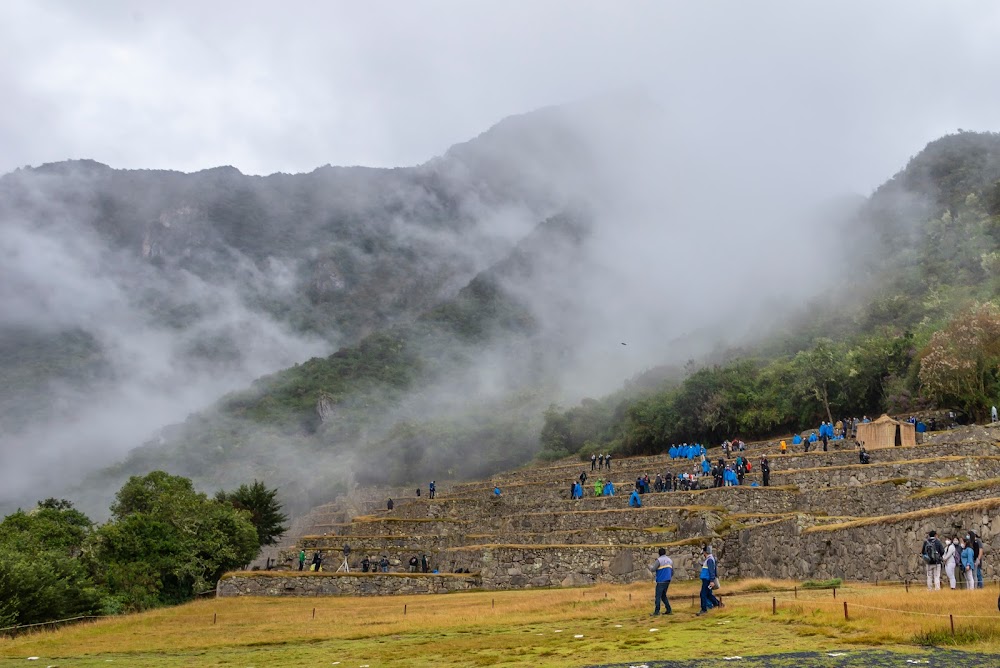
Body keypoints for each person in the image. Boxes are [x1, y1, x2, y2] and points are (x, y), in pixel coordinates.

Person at [696, 545, 722, 615]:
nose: (703, 554)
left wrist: (711, 581)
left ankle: (704, 609)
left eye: (704, 552)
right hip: (706, 579)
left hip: (707, 580)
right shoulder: (709, 559)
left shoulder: (709, 559)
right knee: (708, 594)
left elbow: (711, 571)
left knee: (703, 594)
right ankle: (719, 604)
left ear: (705, 552)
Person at [648, 547, 673, 615]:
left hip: (661, 580)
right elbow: (672, 571)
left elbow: (653, 569)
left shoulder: (659, 560)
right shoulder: (670, 560)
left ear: (659, 554)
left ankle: (657, 611)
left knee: (658, 596)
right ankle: (669, 610)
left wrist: (649, 566)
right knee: (663, 596)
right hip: (667, 580)